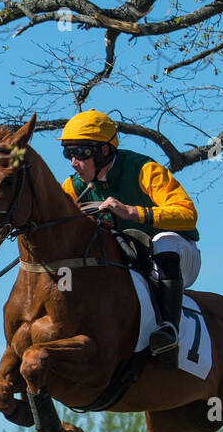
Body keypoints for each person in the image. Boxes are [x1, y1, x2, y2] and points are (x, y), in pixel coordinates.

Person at [59, 110, 202, 366]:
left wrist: (131, 212)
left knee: (164, 240)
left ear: (104, 151)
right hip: (129, 266)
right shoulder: (72, 188)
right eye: (68, 153)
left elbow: (188, 214)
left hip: (177, 259)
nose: (73, 162)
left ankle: (169, 329)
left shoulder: (145, 169)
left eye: (80, 153)